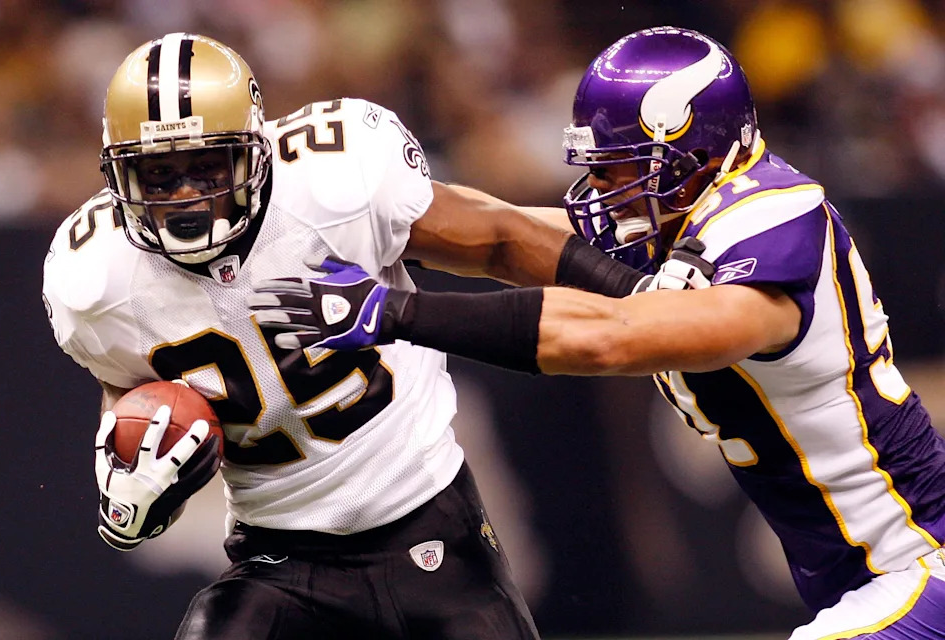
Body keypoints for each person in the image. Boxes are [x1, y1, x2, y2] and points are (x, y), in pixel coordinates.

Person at [257, 27, 945, 639]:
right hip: (876, 578)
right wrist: (372, 218)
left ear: (692, 155)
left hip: (919, 562)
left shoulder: (775, 228)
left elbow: (614, 336)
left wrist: (395, 313)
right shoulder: (691, 217)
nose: (598, 187)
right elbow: (506, 233)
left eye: (619, 166)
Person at [41, 32, 711, 640]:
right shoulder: (94, 276)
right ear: (118, 175)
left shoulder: (337, 180)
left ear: (255, 150)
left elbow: (500, 238)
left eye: (207, 166)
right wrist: (125, 473)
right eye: (158, 174)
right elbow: (127, 388)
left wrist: (636, 291)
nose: (184, 196)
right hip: (277, 558)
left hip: (427, 524)